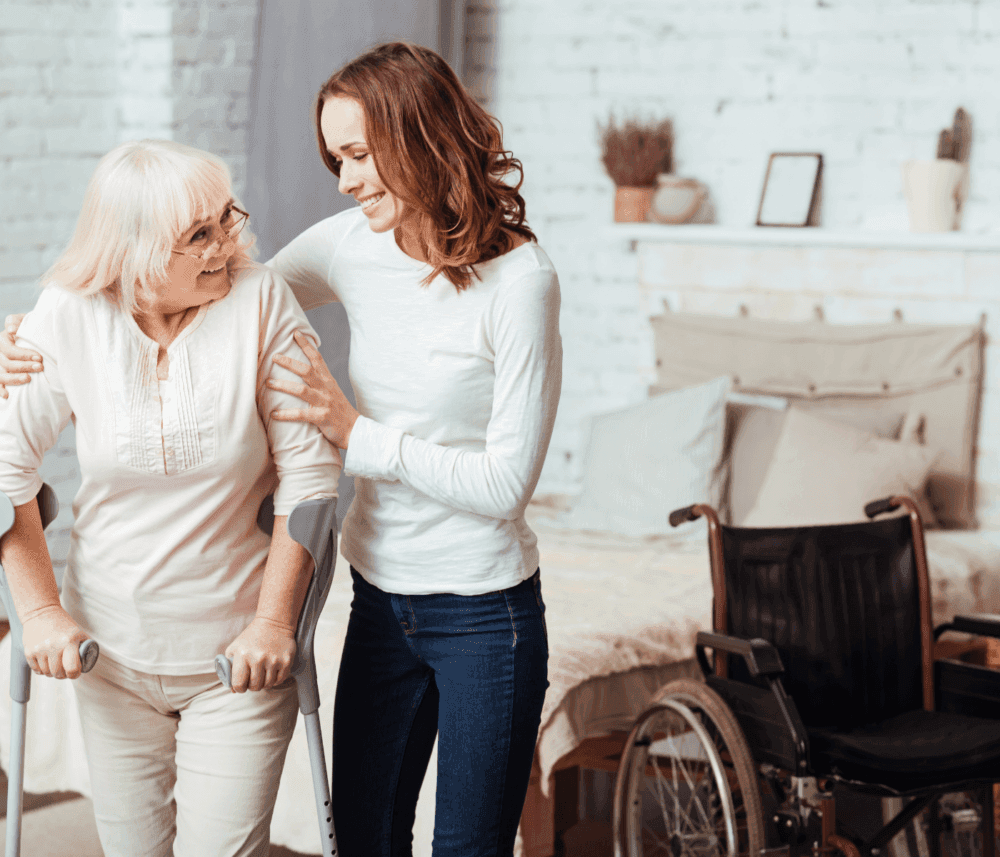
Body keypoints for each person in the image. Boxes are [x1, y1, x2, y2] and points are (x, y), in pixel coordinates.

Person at [0, 41, 561, 857]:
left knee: (469, 847)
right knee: (367, 841)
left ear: (420, 138)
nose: (345, 180)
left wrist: (353, 436)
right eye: (336, 158)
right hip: (378, 598)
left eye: (360, 154)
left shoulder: (521, 283)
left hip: (482, 606)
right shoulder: (346, 244)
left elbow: (503, 483)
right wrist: (29, 334)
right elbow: (235, 286)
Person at [0, 139, 341, 857]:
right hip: (108, 651)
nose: (230, 243)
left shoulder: (260, 300)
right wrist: (37, 612)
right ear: (135, 253)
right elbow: (6, 471)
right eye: (200, 235)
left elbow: (310, 483)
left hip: (236, 656)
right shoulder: (67, 314)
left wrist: (275, 624)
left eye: (226, 218)